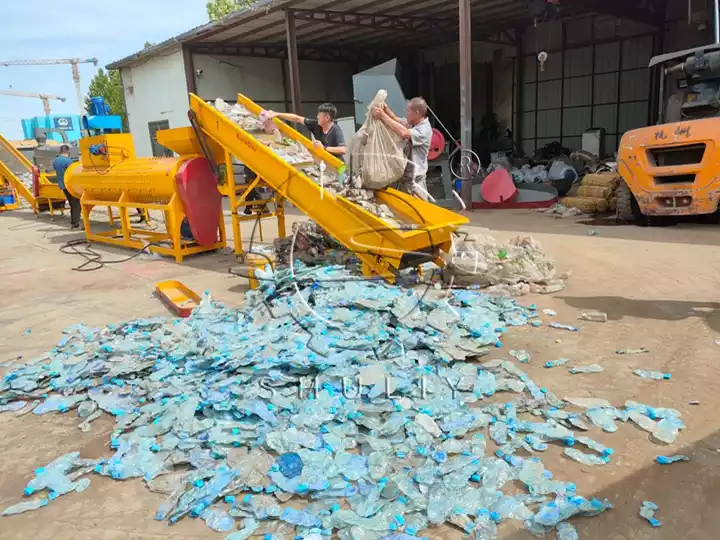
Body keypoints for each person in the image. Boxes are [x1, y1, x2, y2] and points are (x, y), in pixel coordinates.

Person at [371, 97, 432, 201]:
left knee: (419, 213)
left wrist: (382, 115)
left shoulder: (424, 129)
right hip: (405, 180)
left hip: (415, 182)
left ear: (416, 113)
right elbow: (396, 120)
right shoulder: (413, 124)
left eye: (408, 110)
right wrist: (386, 109)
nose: (406, 113)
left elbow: (404, 133)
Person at [266, 103, 346, 157]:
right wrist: (277, 114)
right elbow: (297, 119)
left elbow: (343, 150)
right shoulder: (316, 125)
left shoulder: (336, 130)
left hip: (336, 165)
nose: (317, 116)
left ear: (327, 118)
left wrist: (324, 148)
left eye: (319, 115)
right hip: (324, 160)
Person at [53, 145, 80, 229]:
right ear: (68, 151)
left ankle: (74, 222)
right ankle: (75, 224)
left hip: (62, 185)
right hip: (70, 185)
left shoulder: (56, 161)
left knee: (72, 204)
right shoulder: (68, 161)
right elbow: (73, 172)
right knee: (76, 205)